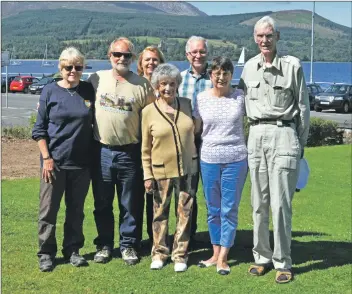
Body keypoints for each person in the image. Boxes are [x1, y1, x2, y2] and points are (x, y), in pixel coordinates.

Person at [238, 16, 310, 283]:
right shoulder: (248, 68)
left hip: (284, 133)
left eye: (269, 35)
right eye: (259, 36)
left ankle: (283, 261)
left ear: (277, 36)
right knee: (259, 202)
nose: (264, 41)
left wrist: (298, 143)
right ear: (254, 38)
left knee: (280, 204)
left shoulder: (293, 67)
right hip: (256, 135)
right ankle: (261, 257)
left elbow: (303, 108)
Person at [88, 37, 155, 266]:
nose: (122, 59)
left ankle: (128, 245)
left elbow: (151, 120)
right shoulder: (96, 79)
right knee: (103, 203)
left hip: (130, 152)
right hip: (102, 151)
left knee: (130, 203)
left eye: (126, 55)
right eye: (117, 54)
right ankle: (105, 245)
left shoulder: (142, 85)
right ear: (110, 56)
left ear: (132, 58)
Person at [32, 47, 95, 272]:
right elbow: (39, 129)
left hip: (81, 164)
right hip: (54, 163)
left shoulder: (88, 90)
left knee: (76, 211)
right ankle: (46, 253)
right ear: (61, 67)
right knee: (48, 211)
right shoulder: (50, 91)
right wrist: (46, 158)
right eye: (68, 67)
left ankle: (73, 250)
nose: (73, 71)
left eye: (78, 67)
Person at [193, 57, 248, 275]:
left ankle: (224, 257)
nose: (221, 77)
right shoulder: (201, 99)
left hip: (235, 159)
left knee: (229, 209)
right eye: (216, 72)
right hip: (209, 160)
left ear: (231, 75)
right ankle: (214, 253)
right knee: (213, 209)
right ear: (210, 75)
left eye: (225, 72)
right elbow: (196, 129)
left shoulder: (240, 97)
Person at [141, 63, 198, 272]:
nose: (168, 88)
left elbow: (195, 129)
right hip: (160, 170)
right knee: (160, 213)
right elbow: (145, 147)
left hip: (188, 169)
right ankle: (159, 252)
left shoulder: (186, 104)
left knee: (185, 212)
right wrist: (147, 175)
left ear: (177, 85)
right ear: (157, 85)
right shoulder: (148, 111)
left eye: (172, 84)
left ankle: (180, 254)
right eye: (163, 84)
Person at [178, 36, 213, 247]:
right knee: (187, 190)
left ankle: (216, 238)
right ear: (187, 55)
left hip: (210, 142)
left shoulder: (216, 78)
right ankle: (188, 236)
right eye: (194, 52)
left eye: (202, 52)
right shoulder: (179, 79)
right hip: (187, 143)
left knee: (211, 191)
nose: (198, 56)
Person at [137, 45, 165, 245]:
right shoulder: (136, 85)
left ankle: (155, 238)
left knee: (156, 197)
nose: (151, 63)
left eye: (155, 59)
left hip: (159, 150)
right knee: (135, 196)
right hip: (136, 146)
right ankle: (134, 239)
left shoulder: (165, 87)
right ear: (140, 63)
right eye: (147, 59)